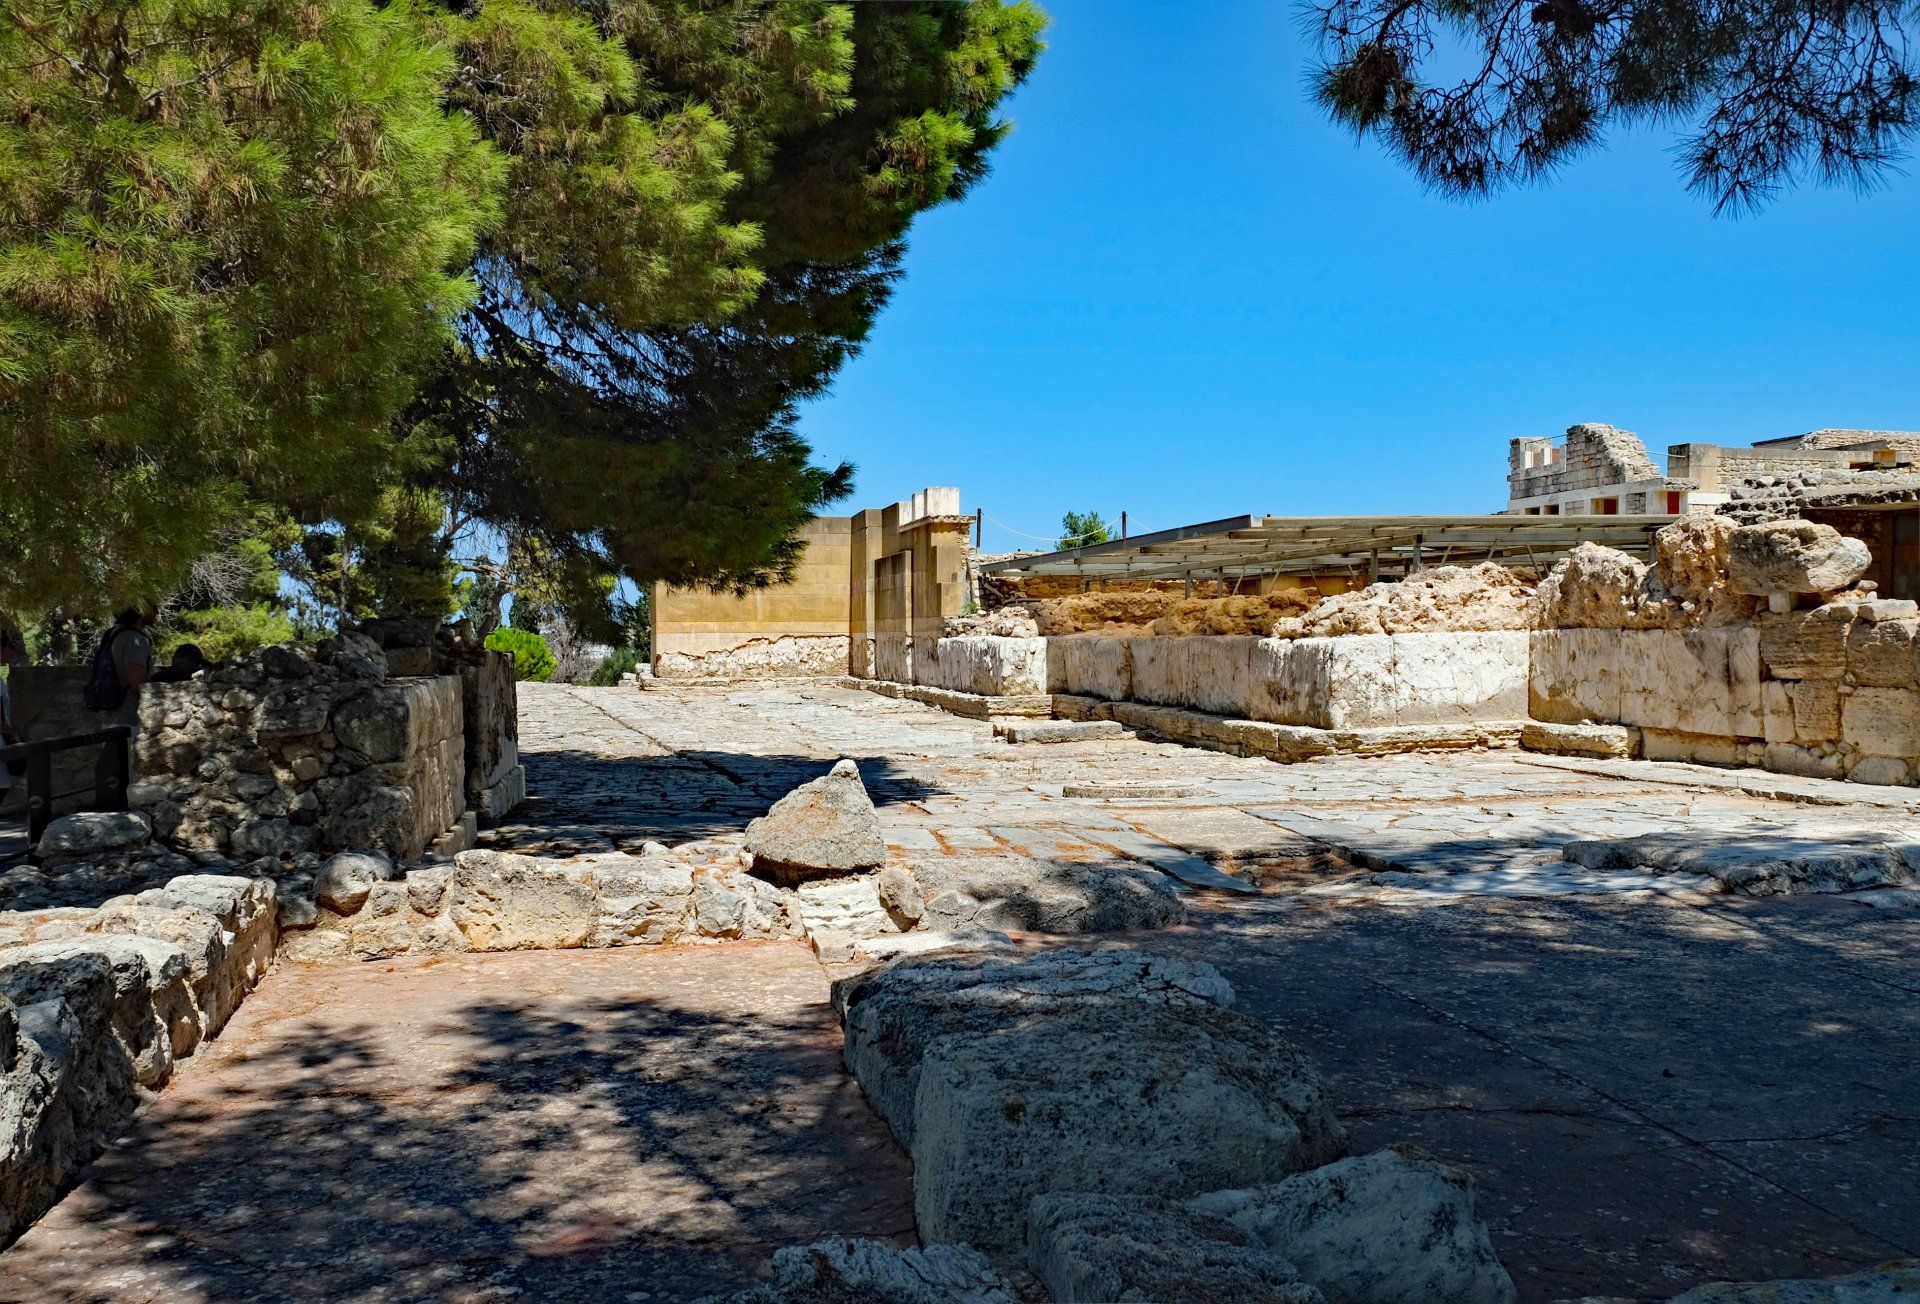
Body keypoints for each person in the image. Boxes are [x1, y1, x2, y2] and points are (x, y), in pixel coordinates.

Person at [100, 607, 157, 734]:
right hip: (130, 722)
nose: (157, 612)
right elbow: (139, 686)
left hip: (112, 717)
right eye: (154, 607)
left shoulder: (114, 633)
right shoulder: (134, 638)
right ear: (141, 609)